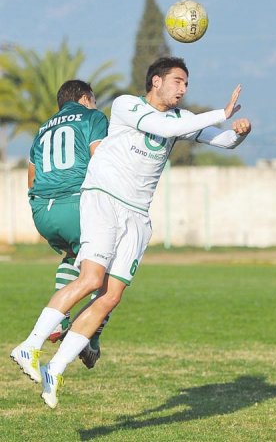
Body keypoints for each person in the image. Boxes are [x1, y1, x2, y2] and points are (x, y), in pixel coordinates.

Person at [11, 56, 252, 408]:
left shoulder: (183, 119)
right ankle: (29, 346)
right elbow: (165, 130)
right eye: (177, 81)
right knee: (92, 278)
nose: (183, 89)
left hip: (138, 214)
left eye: (186, 83)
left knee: (111, 296)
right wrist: (222, 111)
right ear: (155, 81)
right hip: (104, 198)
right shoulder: (126, 105)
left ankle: (55, 367)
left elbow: (225, 141)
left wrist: (240, 133)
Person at [26, 80, 111, 369]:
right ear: (86, 98)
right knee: (110, 272)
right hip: (76, 204)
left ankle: (58, 320)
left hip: (42, 211)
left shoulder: (42, 129)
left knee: (75, 257)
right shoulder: (93, 117)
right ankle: (90, 339)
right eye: (94, 101)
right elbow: (100, 160)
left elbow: (32, 174)